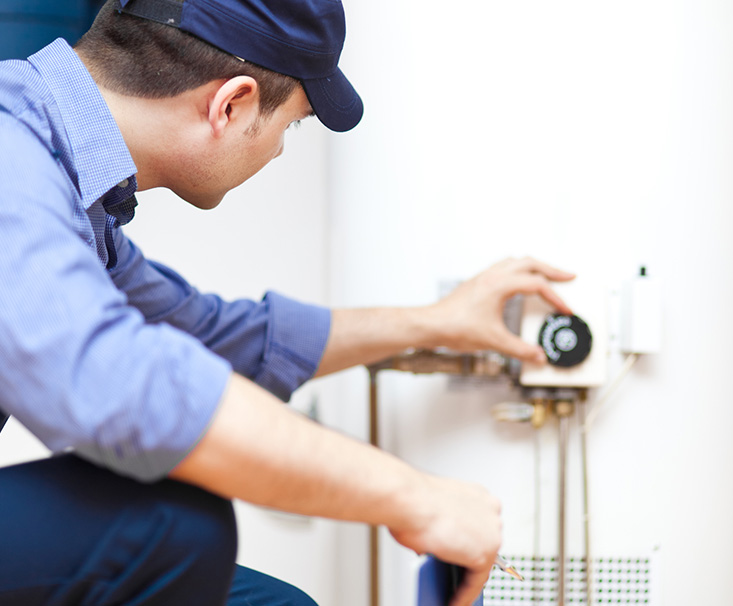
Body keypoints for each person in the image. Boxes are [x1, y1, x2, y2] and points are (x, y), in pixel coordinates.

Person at [0, 1, 575, 605]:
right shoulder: (11, 151)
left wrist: (436, 324)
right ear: (232, 104)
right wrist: (415, 497)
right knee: (173, 523)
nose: (279, 150)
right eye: (293, 124)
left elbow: (208, 338)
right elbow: (120, 383)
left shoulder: (66, 186)